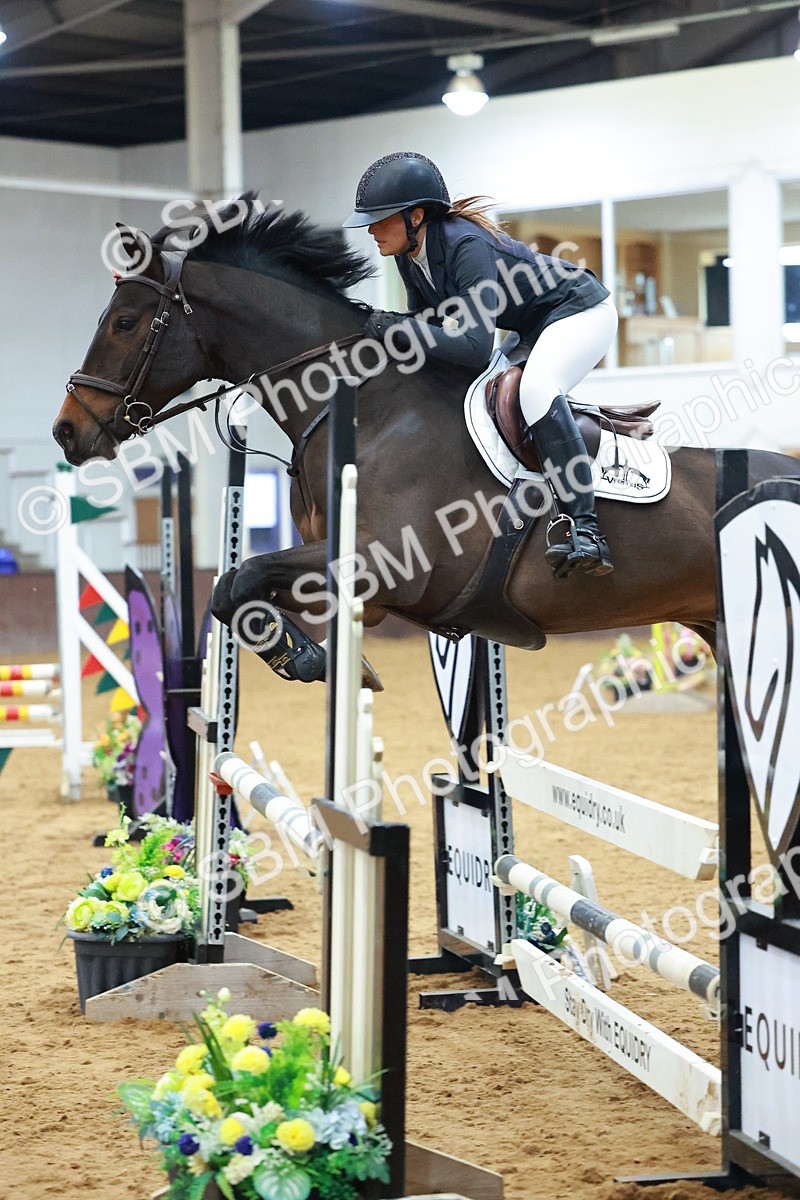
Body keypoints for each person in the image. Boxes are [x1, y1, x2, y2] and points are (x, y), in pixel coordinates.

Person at [343, 151, 618, 578]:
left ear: (415, 216)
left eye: (381, 219)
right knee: (482, 395)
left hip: (580, 310)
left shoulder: (464, 245)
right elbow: (427, 325)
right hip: (533, 325)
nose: (372, 230)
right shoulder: (409, 255)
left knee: (535, 390)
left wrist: (393, 328)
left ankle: (587, 529)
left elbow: (472, 347)